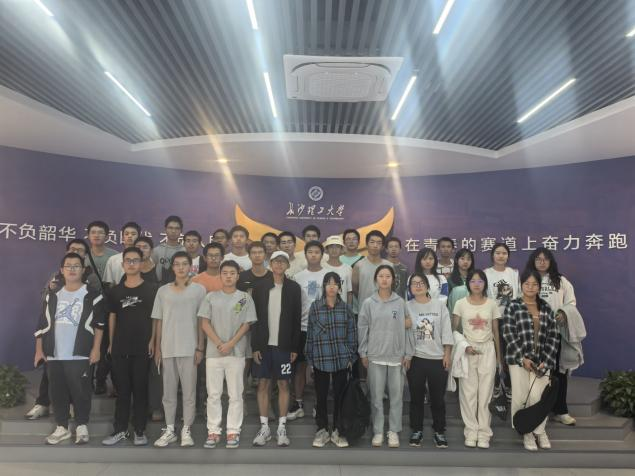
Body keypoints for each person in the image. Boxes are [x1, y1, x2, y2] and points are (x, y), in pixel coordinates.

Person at [34, 253, 105, 445]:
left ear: (83, 270)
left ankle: (82, 425)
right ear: (61, 270)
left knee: (81, 391)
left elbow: (99, 325)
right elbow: (42, 324)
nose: (72, 269)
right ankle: (62, 427)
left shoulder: (92, 294)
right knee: (57, 392)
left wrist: (96, 349)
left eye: (76, 266)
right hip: (54, 353)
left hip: (80, 353)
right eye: (68, 265)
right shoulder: (52, 295)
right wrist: (39, 350)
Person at [26, 239, 99, 420]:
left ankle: (75, 409)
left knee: (76, 378)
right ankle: (43, 403)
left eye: (80, 250)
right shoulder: (56, 277)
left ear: (85, 257)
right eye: (72, 249)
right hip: (55, 337)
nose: (76, 252)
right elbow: (45, 306)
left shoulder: (91, 278)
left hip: (79, 340)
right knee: (50, 373)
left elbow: (97, 312)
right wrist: (51, 290)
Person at [102, 247, 158, 446]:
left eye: (136, 260)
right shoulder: (116, 291)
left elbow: (156, 318)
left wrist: (153, 341)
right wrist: (111, 343)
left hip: (143, 347)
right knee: (123, 391)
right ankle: (120, 430)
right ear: (122, 264)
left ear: (142, 264)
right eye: (128, 260)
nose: (132, 264)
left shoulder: (152, 289)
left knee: (140, 390)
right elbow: (112, 317)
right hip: (120, 347)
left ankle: (139, 431)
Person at [198, 260, 257, 449]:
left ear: (238, 276)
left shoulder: (245, 298)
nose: (229, 276)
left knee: (235, 394)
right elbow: (204, 323)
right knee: (213, 394)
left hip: (236, 352)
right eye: (225, 273)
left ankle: (233, 431)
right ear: (220, 275)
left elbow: (247, 324)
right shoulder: (210, 297)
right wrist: (219, 343)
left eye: (232, 273)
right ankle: (213, 431)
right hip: (214, 353)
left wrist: (230, 344)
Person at [152, 252, 206, 447]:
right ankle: (170, 430)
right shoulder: (163, 291)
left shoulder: (199, 290)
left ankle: (186, 429)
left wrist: (200, 347)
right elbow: (158, 320)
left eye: (184, 264)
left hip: (190, 348)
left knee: (189, 392)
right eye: (177, 264)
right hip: (168, 348)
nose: (181, 267)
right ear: (172, 267)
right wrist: (157, 347)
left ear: (191, 267)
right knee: (168, 393)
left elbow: (202, 320)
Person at [502, 268, 559, 451]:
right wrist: (522, 358)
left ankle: (540, 431)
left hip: (541, 362)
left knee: (538, 397)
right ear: (521, 285)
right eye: (527, 283)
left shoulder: (546, 307)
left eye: (535, 284)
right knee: (520, 396)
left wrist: (546, 361)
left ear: (539, 287)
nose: (531, 287)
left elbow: (553, 336)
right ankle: (526, 432)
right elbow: (509, 333)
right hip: (518, 360)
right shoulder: (513, 306)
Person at [250, 251, 303, 447]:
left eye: (283, 262)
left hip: (284, 346)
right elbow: (254, 319)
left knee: (283, 384)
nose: (279, 265)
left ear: (287, 265)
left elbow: (296, 319)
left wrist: (294, 347)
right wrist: (255, 346)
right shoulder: (260, 287)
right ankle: (264, 428)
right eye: (276, 261)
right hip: (264, 346)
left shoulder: (294, 288)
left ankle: (281, 427)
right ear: (270, 264)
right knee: (263, 384)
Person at [358, 265, 414, 448]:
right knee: (376, 398)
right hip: (375, 356)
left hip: (396, 357)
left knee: (396, 398)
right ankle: (378, 431)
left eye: (388, 276)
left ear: (393, 280)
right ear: (376, 279)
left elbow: (408, 328)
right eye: (381, 276)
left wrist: (408, 354)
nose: (384, 279)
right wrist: (363, 352)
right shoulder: (369, 303)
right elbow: (362, 328)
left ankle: (394, 431)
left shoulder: (400, 302)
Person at [525, 247, 580, 426]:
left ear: (551, 261)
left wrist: (563, 313)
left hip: (555, 333)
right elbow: (520, 301)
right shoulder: (528, 279)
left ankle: (560, 411)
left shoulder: (561, 281)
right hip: (532, 333)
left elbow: (571, 302)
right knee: (535, 372)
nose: (542, 262)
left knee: (558, 373)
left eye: (545, 259)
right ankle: (536, 410)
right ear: (533, 261)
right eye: (538, 259)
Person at [305, 272, 357, 448]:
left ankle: (337, 430)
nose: (332, 286)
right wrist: (310, 358)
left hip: (341, 359)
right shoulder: (315, 307)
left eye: (335, 283)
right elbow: (310, 334)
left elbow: (352, 334)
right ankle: (322, 430)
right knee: (320, 397)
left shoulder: (346, 308)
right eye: (328, 283)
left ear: (340, 287)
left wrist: (351, 356)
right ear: (324, 286)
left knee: (339, 397)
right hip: (321, 357)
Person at [452, 269, 502, 449]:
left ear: (485, 284)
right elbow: (453, 331)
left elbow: (496, 332)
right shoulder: (460, 304)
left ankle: (484, 433)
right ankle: (471, 431)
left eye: (480, 281)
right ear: (468, 284)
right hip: (468, 350)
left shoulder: (492, 304)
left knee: (486, 393)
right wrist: (465, 346)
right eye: (473, 281)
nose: (476, 284)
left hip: (487, 350)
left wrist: (499, 359)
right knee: (468, 393)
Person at [406, 272, 453, 449]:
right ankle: (416, 430)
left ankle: (439, 431)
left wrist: (447, 354)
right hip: (416, 358)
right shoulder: (406, 306)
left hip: (437, 358)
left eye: (421, 283)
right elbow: (403, 332)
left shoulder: (440, 306)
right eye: (414, 283)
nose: (418, 286)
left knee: (437, 398)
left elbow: (447, 331)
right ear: (410, 288)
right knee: (416, 397)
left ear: (427, 286)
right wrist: (406, 355)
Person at [288, 241, 328, 420]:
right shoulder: (298, 277)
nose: (313, 255)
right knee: (300, 367)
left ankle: (320, 405)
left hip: (323, 328)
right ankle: (298, 404)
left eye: (317, 252)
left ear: (322, 255)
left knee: (320, 369)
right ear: (305, 255)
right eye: (310, 252)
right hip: (303, 327)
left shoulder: (329, 275)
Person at [485, 243, 519, 401]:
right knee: (495, 354)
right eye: (497, 253)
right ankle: (496, 383)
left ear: (508, 256)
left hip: (511, 320)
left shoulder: (514, 273)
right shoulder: (486, 273)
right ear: (492, 255)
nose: (501, 256)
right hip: (493, 319)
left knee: (510, 354)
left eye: (504, 253)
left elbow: (518, 295)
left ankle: (510, 385)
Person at [352, 230, 392, 307]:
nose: (375, 245)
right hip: (364, 309)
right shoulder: (358, 265)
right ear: (367, 245)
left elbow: (392, 288)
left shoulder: (389, 266)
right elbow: (355, 289)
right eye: (372, 242)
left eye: (379, 243)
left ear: (383, 247)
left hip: (385, 308)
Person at [152, 215, 185, 283]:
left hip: (180, 285)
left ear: (181, 231)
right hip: (159, 286)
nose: (173, 231)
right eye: (170, 228)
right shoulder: (156, 250)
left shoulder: (185, 251)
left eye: (177, 228)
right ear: (165, 229)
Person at [323, 235, 353, 305]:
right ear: (327, 249)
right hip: (324, 308)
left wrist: (348, 309)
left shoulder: (348, 268)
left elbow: (349, 292)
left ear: (341, 249)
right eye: (331, 247)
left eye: (337, 247)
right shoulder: (321, 267)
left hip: (342, 308)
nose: (334, 250)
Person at [447, 248, 475, 314]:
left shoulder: (475, 278)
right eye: (462, 259)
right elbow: (446, 301)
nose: (465, 262)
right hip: (455, 314)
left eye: (468, 259)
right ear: (456, 260)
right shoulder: (450, 280)